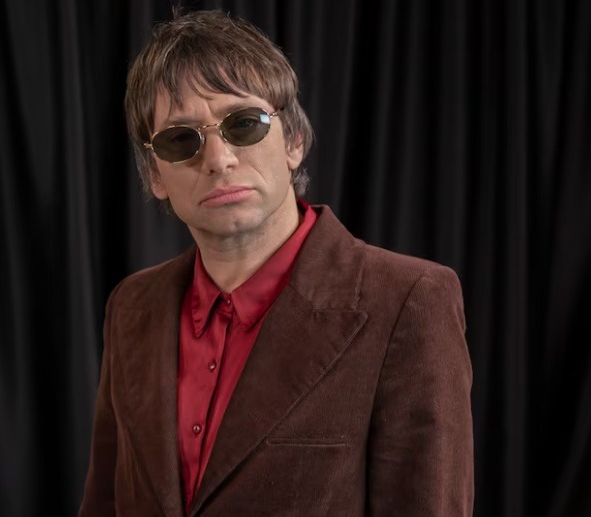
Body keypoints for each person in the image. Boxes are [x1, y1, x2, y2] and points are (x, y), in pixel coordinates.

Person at [79, 9, 473, 516]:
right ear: (156, 175)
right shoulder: (131, 306)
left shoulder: (409, 301)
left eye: (244, 124)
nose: (218, 159)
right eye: (181, 139)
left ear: (293, 141)